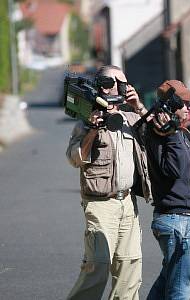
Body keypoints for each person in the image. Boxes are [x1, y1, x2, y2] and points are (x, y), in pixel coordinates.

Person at [66, 65, 152, 300]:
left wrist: (139, 106)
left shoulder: (131, 118)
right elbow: (75, 158)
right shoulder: (86, 120)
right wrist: (93, 129)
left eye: (125, 83)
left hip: (128, 203)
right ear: (104, 85)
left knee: (130, 269)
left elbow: (158, 135)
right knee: (98, 265)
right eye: (118, 83)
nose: (124, 88)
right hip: (100, 204)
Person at [145, 80, 190, 300]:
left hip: (183, 217)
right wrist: (170, 134)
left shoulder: (178, 134)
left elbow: (187, 179)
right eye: (185, 103)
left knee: (170, 277)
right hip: (175, 220)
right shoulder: (163, 135)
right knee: (182, 285)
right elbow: (175, 170)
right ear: (170, 107)